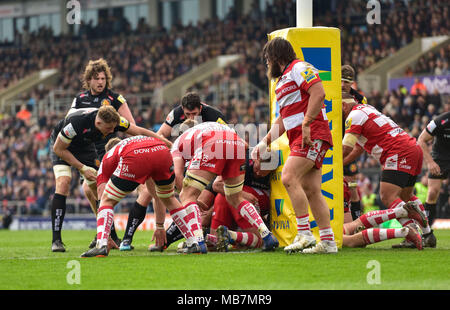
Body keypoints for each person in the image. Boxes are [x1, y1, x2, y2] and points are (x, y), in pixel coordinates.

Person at [252, 37, 337, 254]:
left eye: (267, 59)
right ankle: (328, 241)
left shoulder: (300, 67)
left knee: (288, 176)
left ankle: (305, 234)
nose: (266, 64)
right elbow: (283, 120)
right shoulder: (282, 82)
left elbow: (319, 93)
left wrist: (307, 123)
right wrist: (264, 142)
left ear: (274, 57)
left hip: (311, 134)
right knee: (311, 189)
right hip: (301, 135)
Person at [49, 105, 171, 252]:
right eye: (109, 128)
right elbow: (58, 149)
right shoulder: (76, 123)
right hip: (62, 146)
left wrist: (165, 143)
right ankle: (56, 240)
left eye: (114, 128)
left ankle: (106, 236)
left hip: (85, 147)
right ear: (98, 123)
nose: (112, 131)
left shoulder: (114, 120)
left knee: (98, 187)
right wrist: (81, 168)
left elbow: (139, 131)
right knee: (64, 182)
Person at [121, 94, 228, 251]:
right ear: (183, 110)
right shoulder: (176, 114)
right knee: (146, 191)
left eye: (194, 114)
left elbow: (229, 141)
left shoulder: (214, 116)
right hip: (186, 158)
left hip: (210, 163)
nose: (191, 117)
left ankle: (177, 239)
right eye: (188, 114)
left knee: (193, 201)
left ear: (201, 108)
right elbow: (161, 134)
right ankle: (126, 239)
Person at [80, 135, 198, 257]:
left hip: (135, 157)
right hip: (162, 152)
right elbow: (157, 197)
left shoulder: (108, 156)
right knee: (169, 198)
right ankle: (193, 243)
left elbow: (100, 192)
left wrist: (106, 234)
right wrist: (159, 226)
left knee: (106, 200)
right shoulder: (135, 141)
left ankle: (101, 245)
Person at [341, 92, 432, 248]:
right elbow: (357, 150)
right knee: (406, 195)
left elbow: (346, 148)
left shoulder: (353, 116)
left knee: (387, 196)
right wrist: (340, 164)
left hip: (397, 152)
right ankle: (428, 234)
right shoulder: (366, 109)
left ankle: (412, 232)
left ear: (343, 105)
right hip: (411, 147)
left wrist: (329, 164)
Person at [172, 121, 279, 253]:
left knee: (187, 195)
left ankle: (197, 242)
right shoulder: (214, 125)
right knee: (235, 197)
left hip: (213, 145)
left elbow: (177, 175)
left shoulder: (178, 143)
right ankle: (267, 235)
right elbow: (245, 145)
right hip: (236, 145)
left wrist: (185, 194)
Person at [67, 58, 136, 249]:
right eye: (96, 78)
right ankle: (107, 233)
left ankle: (107, 235)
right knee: (89, 190)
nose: (100, 82)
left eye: (103, 78)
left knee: (98, 190)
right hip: (88, 151)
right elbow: (69, 119)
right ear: (88, 79)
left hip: (109, 150)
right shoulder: (80, 99)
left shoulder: (115, 98)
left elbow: (131, 125)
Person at [213, 152, 273, 251]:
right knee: (224, 194)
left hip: (257, 198)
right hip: (238, 197)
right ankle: (229, 235)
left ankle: (211, 237)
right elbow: (216, 185)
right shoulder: (243, 161)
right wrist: (242, 195)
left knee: (228, 193)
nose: (258, 173)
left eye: (264, 172)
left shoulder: (274, 166)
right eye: (257, 168)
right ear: (255, 159)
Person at [415, 111, 450, 247]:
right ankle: (426, 234)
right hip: (440, 159)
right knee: (432, 193)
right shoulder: (440, 121)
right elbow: (421, 139)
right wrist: (430, 162)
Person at [341, 65, 367, 222]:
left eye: (347, 82)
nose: (343, 85)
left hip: (349, 145)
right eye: (341, 81)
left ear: (352, 83)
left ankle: (357, 223)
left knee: (352, 187)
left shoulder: (361, 100)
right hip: (331, 144)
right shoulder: (330, 94)